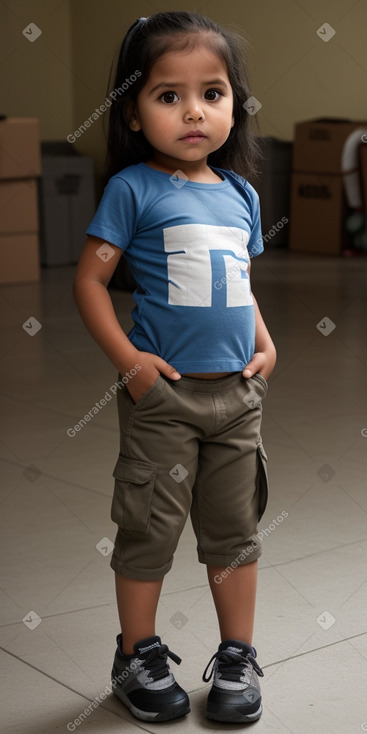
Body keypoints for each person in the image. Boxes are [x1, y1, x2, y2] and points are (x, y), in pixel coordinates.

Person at [73, 10, 276, 725]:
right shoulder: (133, 188)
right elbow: (90, 282)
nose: (194, 110)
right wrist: (129, 363)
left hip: (237, 397)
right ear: (133, 110)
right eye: (169, 95)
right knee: (148, 529)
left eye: (212, 92)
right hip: (165, 397)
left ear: (233, 104)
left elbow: (237, 285)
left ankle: (237, 657)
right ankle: (138, 652)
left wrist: (264, 340)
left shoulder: (241, 194)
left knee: (234, 532)